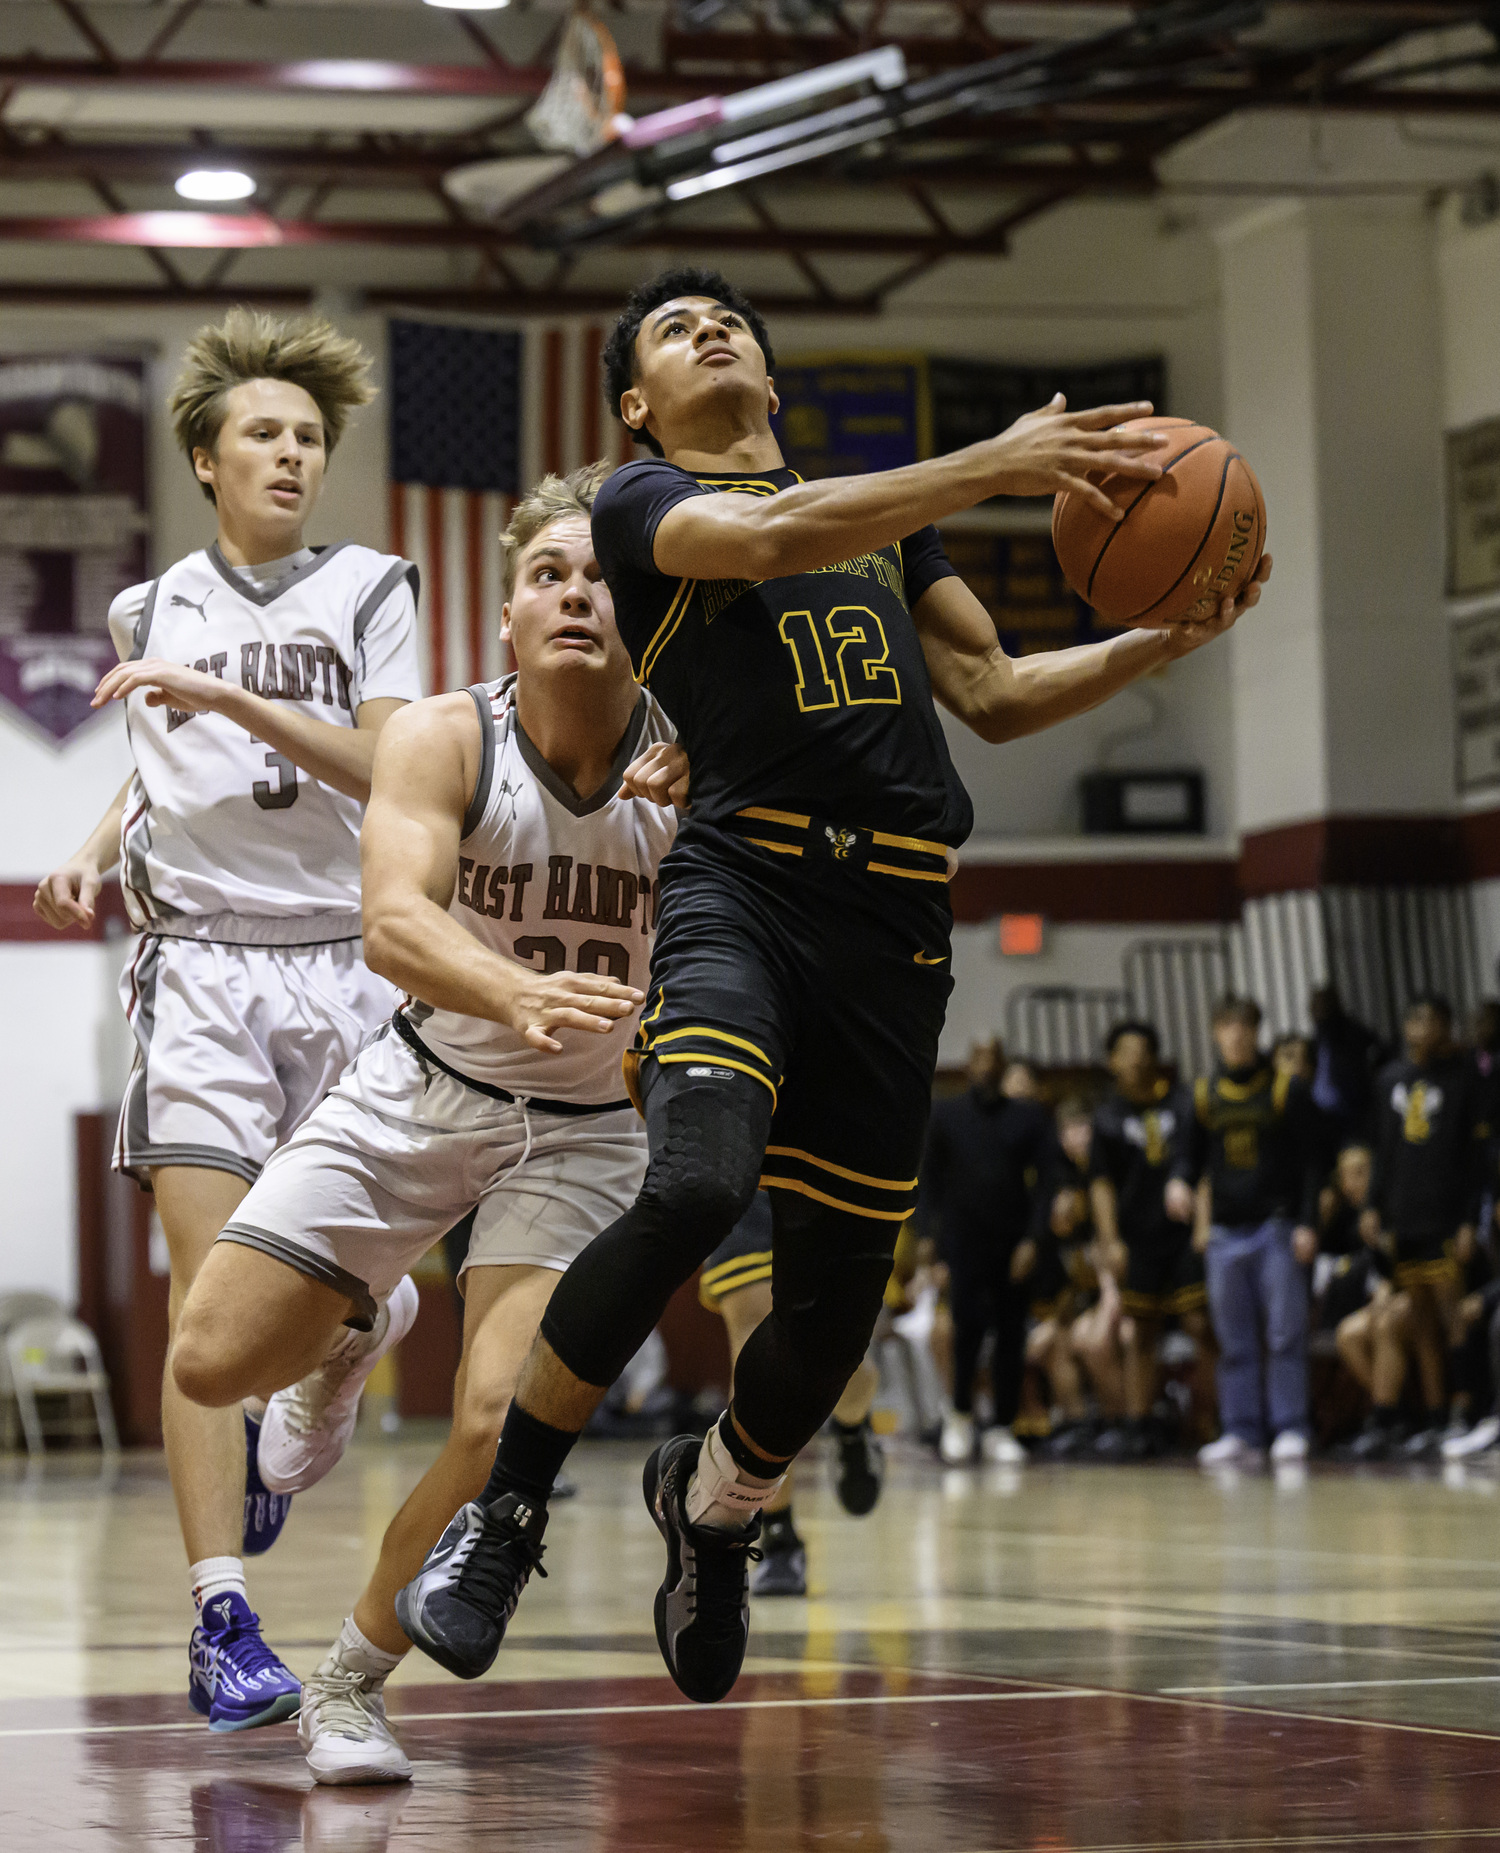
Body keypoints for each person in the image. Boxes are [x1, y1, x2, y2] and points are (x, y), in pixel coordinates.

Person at [392, 264, 1270, 1707]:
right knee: (687, 1186)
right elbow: (773, 531)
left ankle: (718, 1510)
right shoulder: (639, 506)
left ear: (776, 381)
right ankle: (509, 1516)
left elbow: (992, 691)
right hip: (747, 889)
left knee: (834, 1315)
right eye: (676, 330)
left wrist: (1166, 635)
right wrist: (993, 464)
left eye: (731, 320)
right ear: (637, 403)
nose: (712, 330)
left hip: (898, 925)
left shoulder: (883, 524)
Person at [170, 464, 675, 1783]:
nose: (576, 594)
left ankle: (347, 1682)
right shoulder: (449, 735)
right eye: (547, 575)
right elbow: (394, 925)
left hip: (583, 1131)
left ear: (650, 607)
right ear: (507, 616)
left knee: (498, 1419)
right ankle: (348, 1332)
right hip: (424, 1083)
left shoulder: (699, 759)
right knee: (211, 1367)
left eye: (603, 576)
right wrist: (520, 989)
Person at [32, 311, 421, 1731]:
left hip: (344, 959)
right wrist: (93, 835)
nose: (292, 453)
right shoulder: (152, 608)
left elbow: (387, 764)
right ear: (205, 455)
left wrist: (225, 695)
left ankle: (329, 1362)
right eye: (265, 431)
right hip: (195, 962)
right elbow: (163, 758)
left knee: (336, 1290)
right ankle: (219, 1614)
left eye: (310, 437)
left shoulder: (376, 586)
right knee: (207, 1308)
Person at [698, 1191, 884, 1596]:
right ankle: (778, 1532)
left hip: (826, 1160)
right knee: (751, 1336)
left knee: (837, 1352)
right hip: (744, 1157)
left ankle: (853, 1427)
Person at [1176, 996, 1324, 1467]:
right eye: (1227, 1027)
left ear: (1257, 1032)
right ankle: (1241, 1430)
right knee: (1233, 1340)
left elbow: (1312, 1164)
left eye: (1245, 1027)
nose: (1236, 1036)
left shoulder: (1285, 1090)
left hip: (1276, 1227)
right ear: (1216, 1033)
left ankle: (1290, 1426)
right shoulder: (1202, 1095)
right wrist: (1178, 1184)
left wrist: (1308, 1223)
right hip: (1224, 1233)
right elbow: (1190, 1157)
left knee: (1284, 1334)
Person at [1353, 995, 1491, 1458]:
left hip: (1447, 1216)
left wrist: (1472, 1219)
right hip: (1403, 1214)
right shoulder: (1389, 1078)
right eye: (1415, 1019)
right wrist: (1373, 1205)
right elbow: (1381, 1148)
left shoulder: (1465, 1078)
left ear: (1448, 1027)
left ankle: (1465, 1408)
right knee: (1422, 1320)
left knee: (1455, 1315)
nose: (1423, 1028)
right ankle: (1433, 1416)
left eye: (1434, 1020)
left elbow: (1476, 1158)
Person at [922, 1037, 1051, 1465]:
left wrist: (1033, 1240)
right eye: (977, 1056)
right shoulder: (946, 1113)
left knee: (1011, 1336)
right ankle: (959, 1414)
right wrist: (930, 1242)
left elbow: (1047, 1185)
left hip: (1013, 1243)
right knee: (966, 1330)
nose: (985, 1065)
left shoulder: (1029, 1118)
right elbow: (928, 1183)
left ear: (1002, 1064)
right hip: (962, 1242)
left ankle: (1002, 1425)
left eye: (993, 1057)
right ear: (967, 1064)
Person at [1087, 1022, 1208, 1459]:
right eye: (1126, 1051)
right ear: (1111, 1062)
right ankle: (1140, 1423)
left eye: (1143, 1050)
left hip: (1181, 1238)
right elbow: (1101, 1184)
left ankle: (1209, 1423)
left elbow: (1200, 1165)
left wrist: (1201, 1226)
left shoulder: (1182, 1103)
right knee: (1139, 1332)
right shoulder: (1106, 1117)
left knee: (1199, 1325)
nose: (1136, 1058)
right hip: (1137, 1238)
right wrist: (1110, 1240)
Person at [1308, 985, 1384, 1151]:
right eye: (1315, 1005)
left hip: (1350, 1111)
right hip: (1323, 1116)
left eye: (1323, 1005)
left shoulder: (1351, 1032)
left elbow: (1379, 1051)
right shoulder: (1317, 1038)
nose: (1317, 1010)